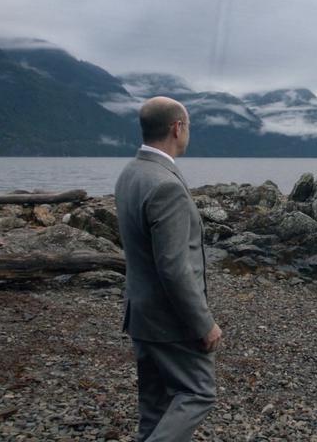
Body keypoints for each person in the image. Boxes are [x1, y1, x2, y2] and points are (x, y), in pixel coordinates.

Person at [114, 96, 222, 442]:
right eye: (188, 127)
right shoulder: (166, 185)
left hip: (141, 314)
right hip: (169, 322)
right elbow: (173, 267)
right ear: (177, 128)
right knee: (198, 392)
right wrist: (203, 324)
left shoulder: (131, 173)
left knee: (155, 409)